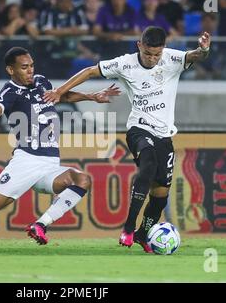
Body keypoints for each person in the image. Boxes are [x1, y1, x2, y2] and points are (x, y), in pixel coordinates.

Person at [0, 47, 120, 254]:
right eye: (24, 67)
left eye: (32, 66)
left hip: (50, 165)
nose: (30, 71)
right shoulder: (9, 93)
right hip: (26, 161)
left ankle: (40, 225)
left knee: (82, 180)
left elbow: (61, 96)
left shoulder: (41, 82)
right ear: (11, 70)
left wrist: (91, 96)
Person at [43, 26, 211, 252]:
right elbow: (91, 71)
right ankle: (129, 227)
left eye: (156, 55)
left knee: (160, 194)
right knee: (148, 164)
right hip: (138, 129)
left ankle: (143, 234)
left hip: (164, 135)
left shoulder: (172, 58)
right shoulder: (125, 63)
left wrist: (204, 49)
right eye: (148, 54)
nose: (152, 59)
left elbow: (195, 56)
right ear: (139, 46)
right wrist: (60, 90)